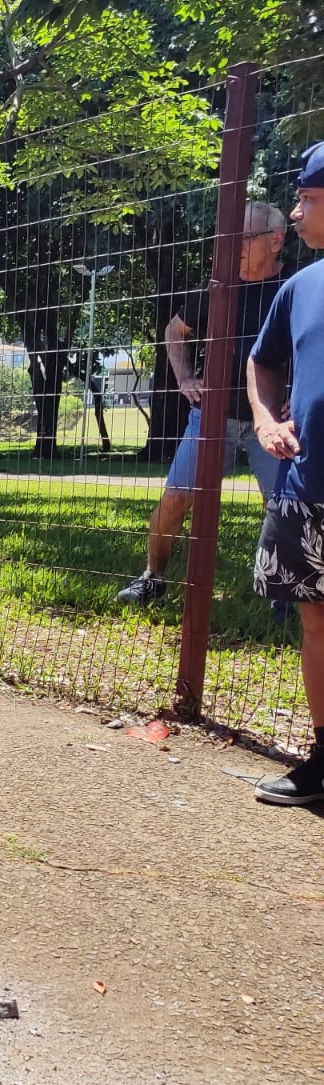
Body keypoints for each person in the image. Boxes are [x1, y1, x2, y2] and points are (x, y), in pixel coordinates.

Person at [116, 201, 289, 605]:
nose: (235, 245)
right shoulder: (217, 288)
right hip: (211, 418)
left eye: (245, 237)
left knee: (282, 509)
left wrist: (298, 398)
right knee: (175, 498)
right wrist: (185, 377)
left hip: (274, 426)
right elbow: (174, 331)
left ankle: (283, 597)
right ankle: (152, 580)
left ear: (276, 240)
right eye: (231, 236)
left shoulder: (292, 289)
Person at [249, 146, 324, 804]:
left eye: (309, 198)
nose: (296, 213)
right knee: (315, 621)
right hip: (306, 489)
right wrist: (268, 419)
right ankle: (323, 759)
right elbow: (262, 362)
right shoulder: (300, 288)